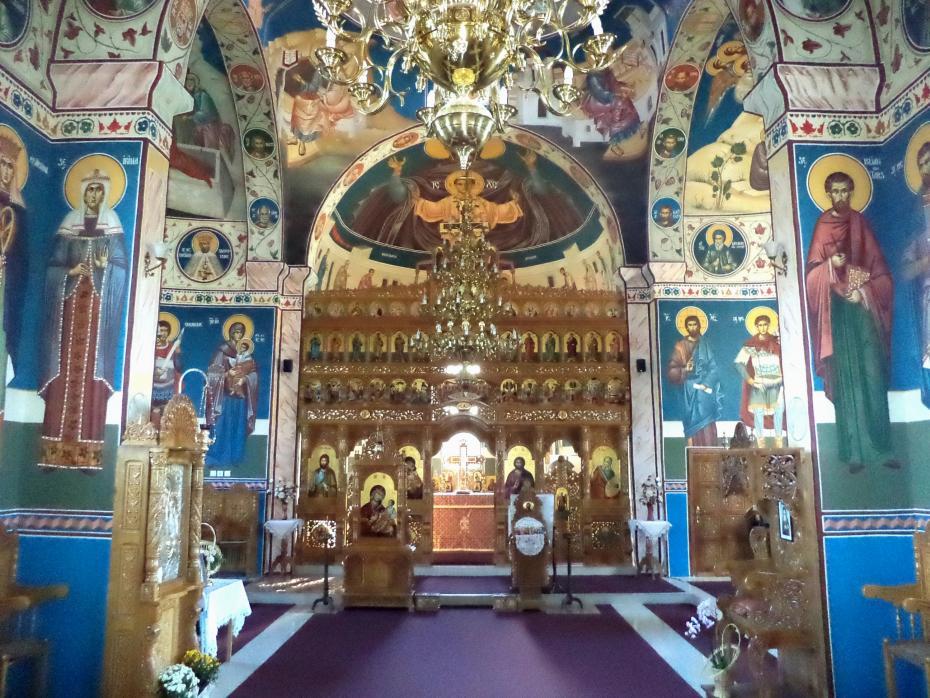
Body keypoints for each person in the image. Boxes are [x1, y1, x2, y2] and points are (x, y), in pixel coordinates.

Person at [805, 171, 896, 472]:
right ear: (828, 194)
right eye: (836, 191)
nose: (841, 196)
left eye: (845, 191)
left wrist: (862, 291)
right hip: (838, 316)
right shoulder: (822, 226)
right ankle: (854, 452)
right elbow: (811, 277)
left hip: (863, 312)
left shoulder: (860, 223)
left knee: (873, 376)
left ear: (852, 192)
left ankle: (882, 449)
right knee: (848, 381)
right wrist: (830, 266)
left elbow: (879, 270)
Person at [40, 168, 128, 469]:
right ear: (82, 193)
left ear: (105, 195)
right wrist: (71, 271)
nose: (94, 195)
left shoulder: (112, 225)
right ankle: (53, 453)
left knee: (91, 374)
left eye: (99, 190)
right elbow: (52, 267)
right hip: (68, 312)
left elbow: (121, 268)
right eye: (90, 189)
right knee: (63, 370)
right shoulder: (69, 224)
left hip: (97, 316)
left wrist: (105, 267)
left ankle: (88, 455)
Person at [205, 320, 259, 467]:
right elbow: (212, 374)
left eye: (240, 332)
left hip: (240, 399)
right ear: (230, 333)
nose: (238, 335)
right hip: (224, 398)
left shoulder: (247, 354)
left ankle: (236, 457)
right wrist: (228, 374)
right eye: (235, 332)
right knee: (222, 425)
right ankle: (217, 457)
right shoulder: (222, 351)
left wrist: (245, 379)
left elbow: (254, 374)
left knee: (237, 426)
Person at [666, 314, 721, 447]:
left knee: (707, 422)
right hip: (687, 390)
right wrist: (684, 369)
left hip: (704, 391)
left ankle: (710, 452)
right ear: (686, 327)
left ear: (699, 326)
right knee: (691, 424)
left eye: (694, 324)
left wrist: (705, 384)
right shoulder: (680, 346)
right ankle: (692, 452)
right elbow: (672, 371)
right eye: (689, 325)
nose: (692, 327)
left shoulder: (706, 344)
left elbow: (714, 368)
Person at [0, 131, 26, 394]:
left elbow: (22, 260)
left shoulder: (17, 212)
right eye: (2, 163)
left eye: (11, 166)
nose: (6, 171)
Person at [734, 312, 785, 447]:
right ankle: (760, 443)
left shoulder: (776, 342)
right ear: (756, 326)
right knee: (758, 412)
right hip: (759, 383)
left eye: (765, 325)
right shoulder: (751, 344)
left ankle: (779, 442)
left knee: (778, 411)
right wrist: (750, 381)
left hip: (777, 382)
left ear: (768, 325)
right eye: (760, 325)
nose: (763, 327)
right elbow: (738, 363)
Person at [152, 319, 183, 427]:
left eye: (165, 330)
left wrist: (177, 354)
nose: (163, 333)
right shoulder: (150, 346)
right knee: (153, 413)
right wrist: (155, 372)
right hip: (153, 388)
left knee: (167, 413)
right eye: (160, 330)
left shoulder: (172, 347)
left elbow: (179, 367)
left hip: (168, 387)